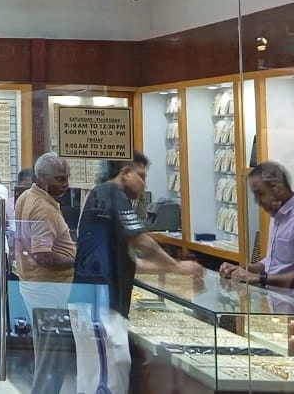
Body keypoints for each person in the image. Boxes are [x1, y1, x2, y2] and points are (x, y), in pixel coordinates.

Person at [71, 153, 202, 394]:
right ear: (125, 173)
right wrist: (177, 266)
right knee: (107, 378)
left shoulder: (103, 196)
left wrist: (175, 269)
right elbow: (140, 240)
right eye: (141, 176)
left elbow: (134, 263)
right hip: (99, 302)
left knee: (104, 373)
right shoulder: (112, 192)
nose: (144, 184)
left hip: (99, 302)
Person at [220, 161, 294, 304]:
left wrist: (259, 278)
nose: (257, 201)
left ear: (277, 189)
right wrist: (244, 270)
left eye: (260, 194)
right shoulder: (277, 217)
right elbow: (274, 262)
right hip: (280, 309)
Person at [15, 153, 77, 394]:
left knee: (46, 353)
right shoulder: (43, 208)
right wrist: (78, 262)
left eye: (67, 178)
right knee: (52, 358)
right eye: (59, 179)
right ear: (41, 177)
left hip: (38, 285)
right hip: (49, 288)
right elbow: (42, 255)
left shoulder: (27, 196)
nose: (65, 184)